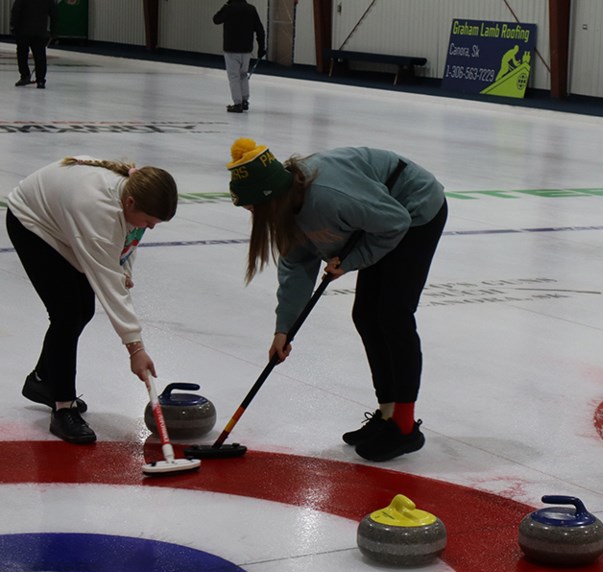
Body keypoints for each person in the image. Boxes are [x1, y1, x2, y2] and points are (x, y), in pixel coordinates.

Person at [225, 138, 447, 462]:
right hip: (379, 221)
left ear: (269, 198)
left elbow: (394, 221)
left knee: (393, 314)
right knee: (366, 315)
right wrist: (283, 329)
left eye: (250, 207)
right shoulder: (288, 210)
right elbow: (296, 268)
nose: (249, 213)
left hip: (414, 210)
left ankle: (404, 427)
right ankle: (387, 414)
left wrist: (352, 259)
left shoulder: (331, 196)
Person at [6, 158, 178, 444]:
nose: (151, 227)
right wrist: (135, 348)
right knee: (67, 313)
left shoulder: (127, 200)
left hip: (62, 221)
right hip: (32, 223)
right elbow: (110, 286)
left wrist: (124, 269)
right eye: (150, 221)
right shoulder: (98, 212)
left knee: (82, 309)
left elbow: (128, 239)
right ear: (130, 202)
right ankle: (63, 408)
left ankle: (42, 380)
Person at [213, 0, 266, 113]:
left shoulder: (229, 8)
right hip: (246, 50)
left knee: (234, 76)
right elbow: (260, 29)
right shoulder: (251, 9)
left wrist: (226, 5)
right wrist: (261, 47)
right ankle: (244, 100)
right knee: (243, 75)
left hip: (231, 49)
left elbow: (216, 19)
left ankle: (237, 103)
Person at [11, 0, 56, 89]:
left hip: (23, 31)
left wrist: (13, 26)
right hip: (40, 31)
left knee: (22, 55)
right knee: (40, 56)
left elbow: (16, 11)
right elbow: (54, 13)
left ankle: (25, 76)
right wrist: (53, 31)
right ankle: (40, 80)